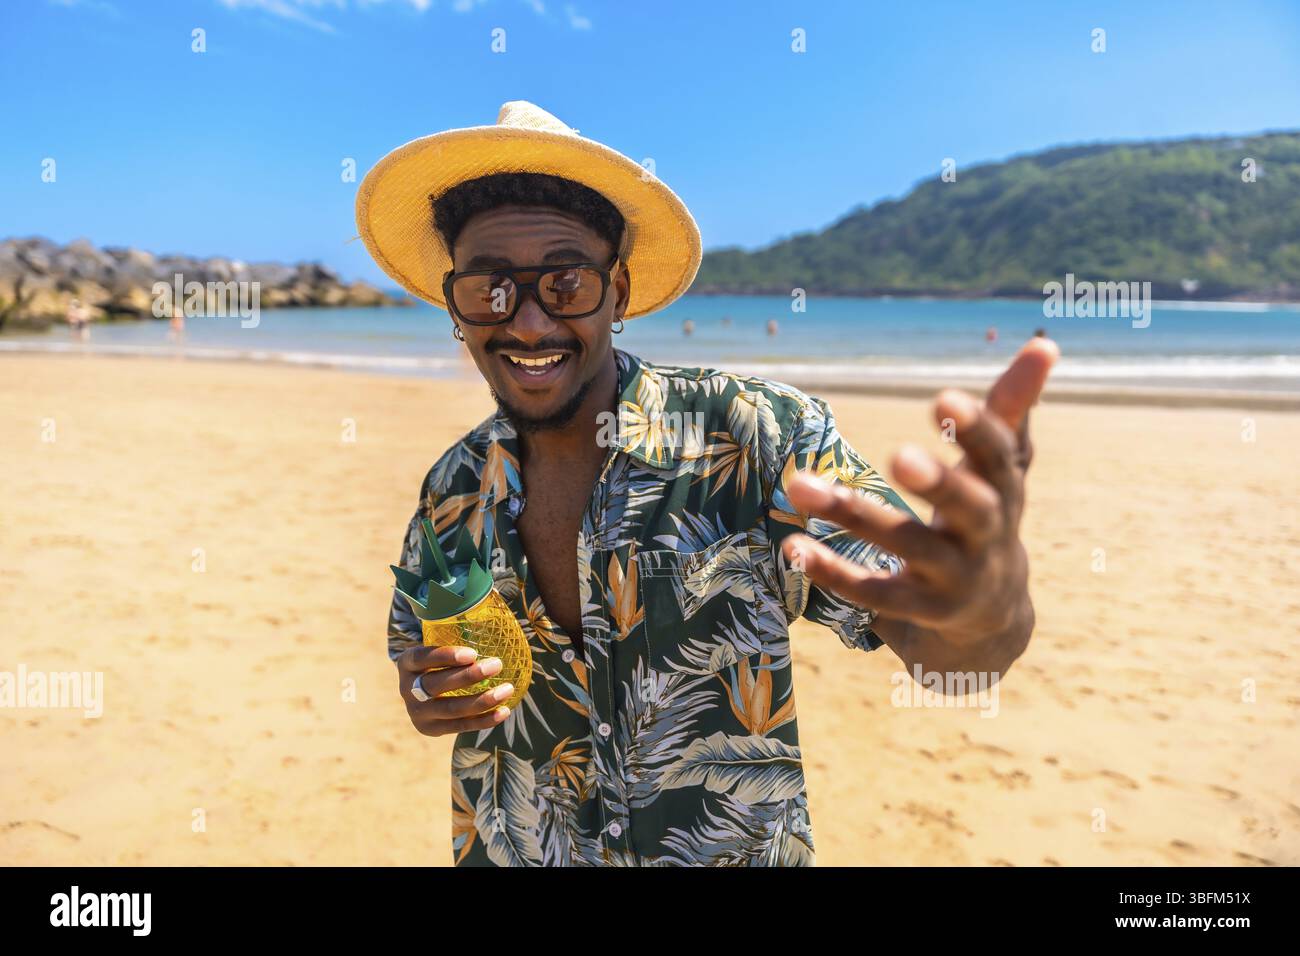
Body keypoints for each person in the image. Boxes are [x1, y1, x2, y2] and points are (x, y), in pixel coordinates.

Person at [357, 101, 1057, 867]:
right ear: (456, 306)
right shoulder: (452, 490)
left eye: (564, 284)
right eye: (491, 289)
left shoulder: (754, 436)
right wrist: (427, 693)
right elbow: (418, 664)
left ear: (617, 292)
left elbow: (950, 652)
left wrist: (991, 603)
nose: (526, 324)